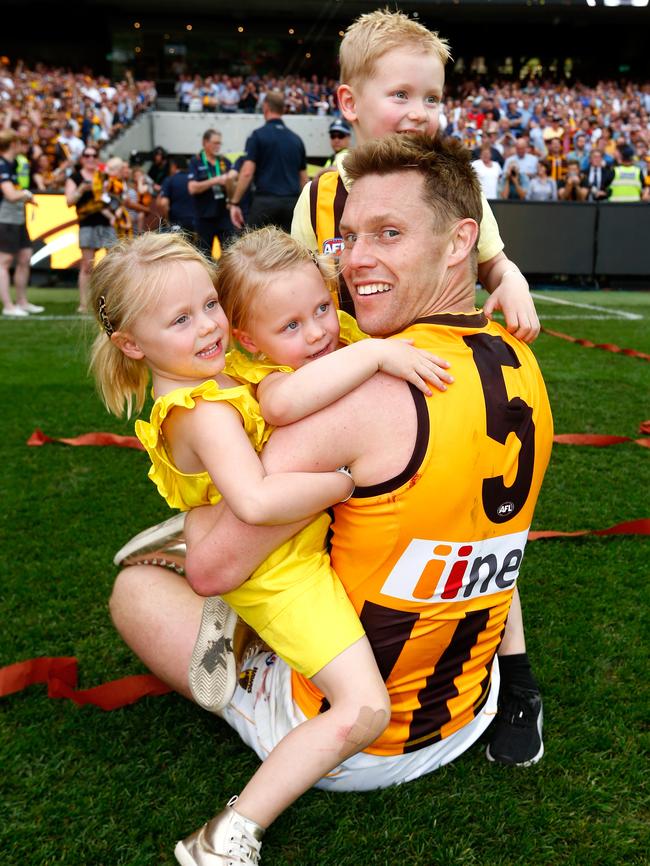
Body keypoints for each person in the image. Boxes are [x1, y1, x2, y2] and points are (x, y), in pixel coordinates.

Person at [109, 134, 553, 865]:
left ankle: (233, 818)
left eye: (389, 233)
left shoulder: (345, 399)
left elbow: (217, 569)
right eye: (348, 237)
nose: (360, 258)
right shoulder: (521, 357)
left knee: (138, 589)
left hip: (355, 737)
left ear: (457, 244)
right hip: (466, 710)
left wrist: (333, 482)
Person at [91, 224, 453, 865]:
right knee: (365, 708)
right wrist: (348, 482)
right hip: (282, 573)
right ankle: (227, 834)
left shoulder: (213, 367)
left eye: (209, 306)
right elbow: (257, 503)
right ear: (130, 344)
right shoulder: (203, 408)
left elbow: (285, 363)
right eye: (181, 319)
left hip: (278, 547)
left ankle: (197, 555)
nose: (209, 329)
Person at [291, 9, 541, 343]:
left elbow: (492, 263)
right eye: (400, 95)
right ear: (350, 103)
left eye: (432, 99)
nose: (419, 113)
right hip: (352, 376)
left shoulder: (452, 185)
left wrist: (512, 281)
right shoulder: (318, 196)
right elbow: (296, 293)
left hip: (439, 371)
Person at [228, 90, 308, 233]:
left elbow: (247, 173)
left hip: (265, 202)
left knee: (254, 249)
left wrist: (234, 202)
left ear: (265, 107)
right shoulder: (296, 139)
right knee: (289, 251)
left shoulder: (257, 135)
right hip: (291, 204)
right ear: (283, 109)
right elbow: (304, 180)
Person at [64, 145, 117, 313]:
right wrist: (81, 189)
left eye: (94, 155)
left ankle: (113, 301)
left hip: (106, 223)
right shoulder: (75, 177)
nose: (91, 158)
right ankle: (85, 303)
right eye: (87, 155)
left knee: (113, 264)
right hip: (87, 224)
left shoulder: (103, 175)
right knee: (87, 267)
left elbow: (114, 195)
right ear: (82, 159)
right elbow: (69, 201)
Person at [0, 129, 42, 317]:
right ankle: (8, 306)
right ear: (13, 144)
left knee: (25, 256)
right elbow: (10, 195)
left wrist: (24, 196)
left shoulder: (12, 163)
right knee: (5, 261)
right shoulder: (2, 164)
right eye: (18, 143)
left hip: (17, 217)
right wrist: (26, 194)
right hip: (6, 217)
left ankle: (22, 301)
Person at [187, 129, 238, 258]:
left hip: (224, 215)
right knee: (204, 255)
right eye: (215, 143)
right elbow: (192, 188)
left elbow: (233, 188)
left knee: (229, 253)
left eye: (219, 143)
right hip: (204, 217)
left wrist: (230, 182)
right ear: (205, 142)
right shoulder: (196, 161)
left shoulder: (224, 162)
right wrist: (215, 180)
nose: (218, 146)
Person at [158, 155, 196, 236]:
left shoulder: (170, 180)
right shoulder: (195, 180)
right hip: (196, 222)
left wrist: (167, 221)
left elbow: (164, 203)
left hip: (177, 222)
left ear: (174, 166)